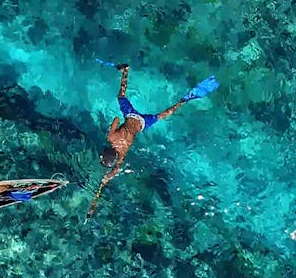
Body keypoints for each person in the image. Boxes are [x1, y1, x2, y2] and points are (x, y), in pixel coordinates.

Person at [86, 63, 218, 219]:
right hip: (132, 116)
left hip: (143, 124)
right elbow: (115, 119)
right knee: (120, 96)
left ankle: (183, 101)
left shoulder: (121, 156)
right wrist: (114, 128)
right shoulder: (111, 138)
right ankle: (125, 71)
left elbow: (115, 170)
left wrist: (106, 179)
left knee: (164, 114)